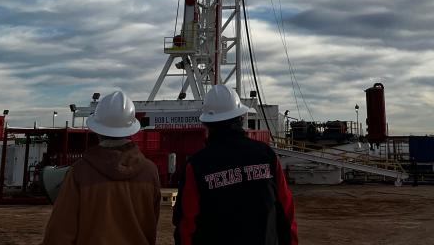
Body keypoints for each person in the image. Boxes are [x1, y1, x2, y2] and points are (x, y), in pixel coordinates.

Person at [173, 85, 298, 245]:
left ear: (207, 124)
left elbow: (187, 223)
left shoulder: (197, 165)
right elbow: (286, 209)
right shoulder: (266, 155)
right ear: (241, 118)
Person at [43, 90, 161, 245]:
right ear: (130, 130)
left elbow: (60, 232)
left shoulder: (80, 172)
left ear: (97, 130)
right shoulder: (149, 172)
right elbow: (150, 225)